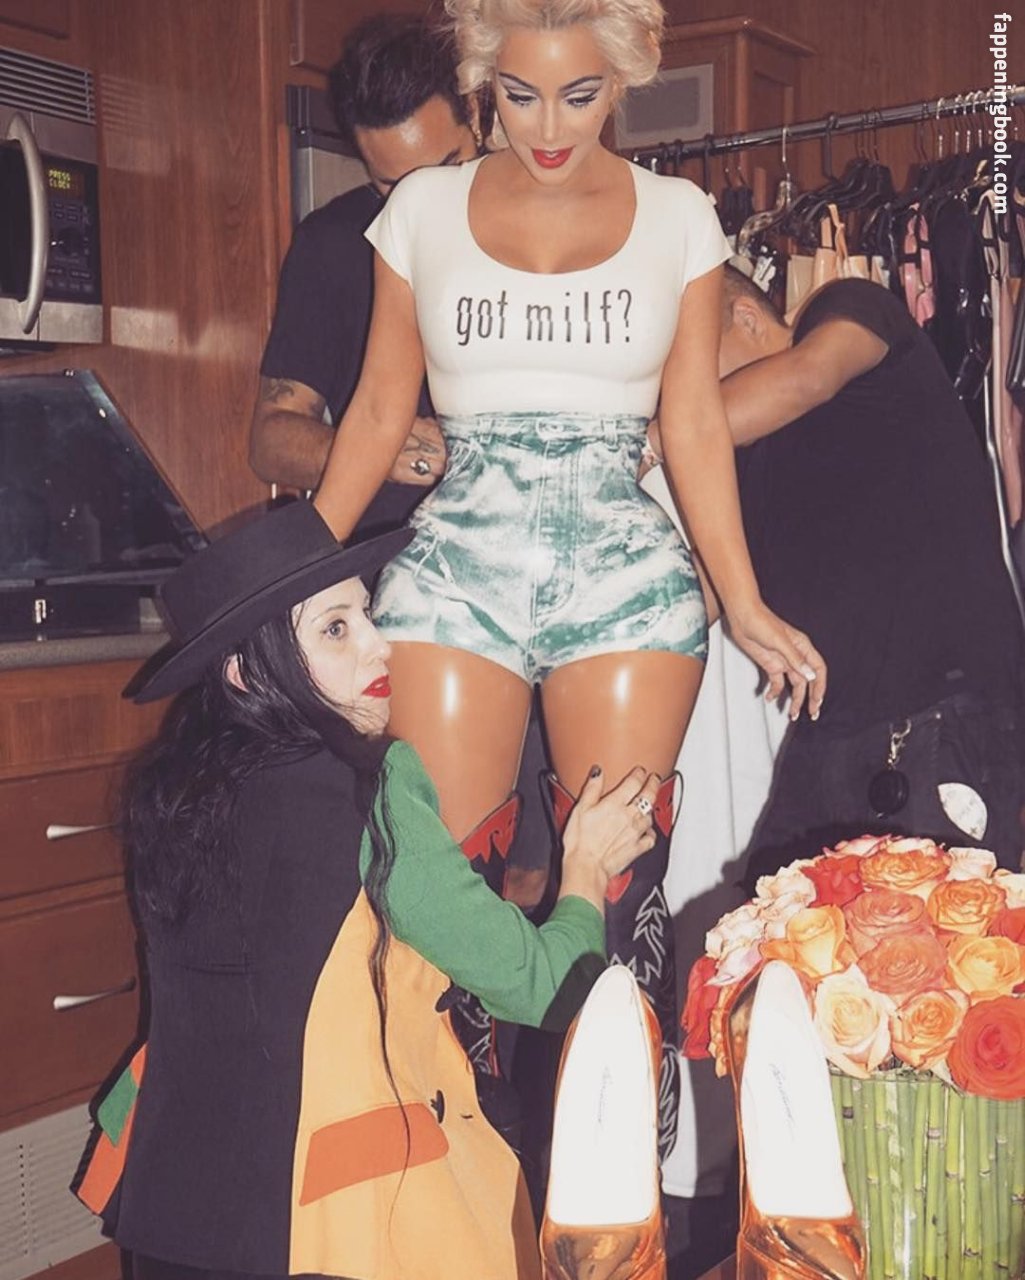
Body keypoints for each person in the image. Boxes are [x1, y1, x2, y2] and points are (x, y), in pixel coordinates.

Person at [311, 0, 826, 1157]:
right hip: (455, 571)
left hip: (625, 580)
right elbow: (379, 406)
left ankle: (611, 1208)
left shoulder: (678, 218)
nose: (547, 126)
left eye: (579, 94)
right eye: (519, 94)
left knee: (618, 916)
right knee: (436, 912)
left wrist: (741, 598)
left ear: (622, 79)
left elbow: (692, 421)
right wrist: (291, 579)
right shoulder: (421, 208)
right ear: (483, 79)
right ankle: (454, 1195)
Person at [74, 499, 661, 1280]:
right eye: (335, 629)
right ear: (247, 671)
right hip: (331, 1226)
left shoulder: (173, 791)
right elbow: (547, 989)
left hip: (171, 1209)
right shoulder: (370, 788)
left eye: (366, 614)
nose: (379, 645)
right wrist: (584, 868)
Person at [717, 266, 1025, 876]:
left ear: (746, 318)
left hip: (936, 712)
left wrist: (648, 436)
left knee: (940, 929)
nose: (682, 388)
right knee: (768, 923)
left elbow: (808, 376)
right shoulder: (745, 461)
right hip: (834, 733)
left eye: (689, 363)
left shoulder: (848, 306)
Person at [248, 13, 477, 518]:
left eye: (447, 167)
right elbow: (269, 441)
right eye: (395, 186)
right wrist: (374, 453)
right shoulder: (331, 244)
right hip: (385, 558)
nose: (424, 204)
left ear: (476, 116)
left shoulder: (541, 225)